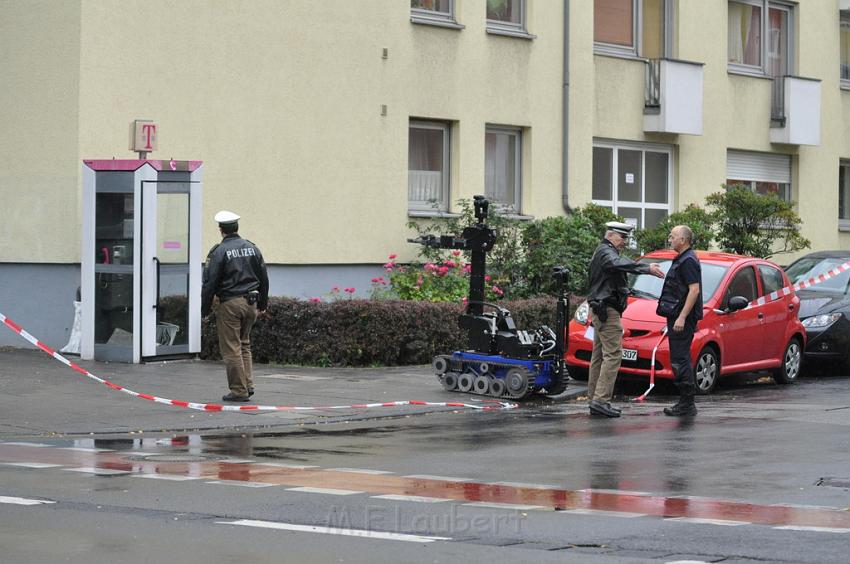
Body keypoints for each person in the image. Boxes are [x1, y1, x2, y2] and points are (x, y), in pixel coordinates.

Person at [586, 221, 664, 418]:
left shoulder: (602, 251)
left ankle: (594, 398)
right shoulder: (607, 253)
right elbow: (618, 264)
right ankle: (600, 400)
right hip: (607, 311)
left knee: (600, 356)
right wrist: (646, 268)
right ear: (611, 235)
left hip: (601, 309)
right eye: (622, 238)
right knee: (613, 355)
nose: (624, 242)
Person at [201, 210, 269, 402]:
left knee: (232, 348)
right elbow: (264, 277)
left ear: (221, 229)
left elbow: (210, 283)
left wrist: (204, 309)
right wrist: (262, 303)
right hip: (251, 303)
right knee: (244, 344)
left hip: (230, 303)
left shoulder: (219, 251)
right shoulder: (252, 248)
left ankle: (239, 391)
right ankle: (248, 385)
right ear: (236, 227)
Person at [658, 225, 702, 416]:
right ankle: (685, 402)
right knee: (678, 357)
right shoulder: (683, 259)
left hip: (683, 318)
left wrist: (682, 317)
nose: (670, 239)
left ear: (683, 240)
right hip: (677, 316)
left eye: (673, 236)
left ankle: (687, 403)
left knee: (680, 359)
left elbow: (694, 290)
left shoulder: (688, 261)